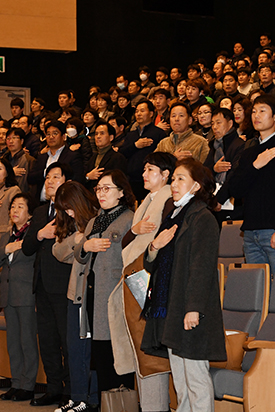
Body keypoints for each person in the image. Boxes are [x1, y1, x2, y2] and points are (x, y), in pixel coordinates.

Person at [141, 158, 226, 412]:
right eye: (174, 178)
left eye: (181, 179)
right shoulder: (172, 215)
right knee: (180, 380)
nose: (174, 184)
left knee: (196, 379)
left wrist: (193, 308)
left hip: (189, 308)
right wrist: (154, 246)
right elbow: (151, 263)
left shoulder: (203, 218)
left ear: (196, 186)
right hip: (170, 306)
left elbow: (202, 268)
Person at [110, 152, 175, 412]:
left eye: (150, 170)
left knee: (149, 351)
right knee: (139, 347)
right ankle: (148, 406)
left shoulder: (168, 199)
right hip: (135, 274)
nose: (144, 174)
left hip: (149, 278)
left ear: (166, 174)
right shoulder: (147, 200)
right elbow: (129, 242)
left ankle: (155, 407)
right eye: (145, 169)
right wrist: (133, 232)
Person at [73, 170, 136, 405]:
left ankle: (121, 405)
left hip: (115, 294)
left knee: (116, 354)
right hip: (92, 292)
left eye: (107, 188)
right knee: (100, 353)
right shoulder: (94, 220)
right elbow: (79, 255)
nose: (101, 193)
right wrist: (86, 245)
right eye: (98, 188)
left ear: (121, 192)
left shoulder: (130, 218)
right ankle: (104, 404)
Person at [229, 94, 275, 278]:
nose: (256, 116)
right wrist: (255, 165)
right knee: (256, 292)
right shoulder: (249, 152)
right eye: (253, 112)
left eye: (262, 111)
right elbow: (236, 189)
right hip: (250, 232)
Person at [22, 162, 74, 407]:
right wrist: (40, 234)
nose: (51, 181)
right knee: (48, 340)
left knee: (67, 340)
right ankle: (53, 388)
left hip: (65, 284)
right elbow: (27, 246)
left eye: (56, 177)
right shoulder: (41, 211)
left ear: (66, 181)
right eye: (48, 178)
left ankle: (72, 391)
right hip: (41, 283)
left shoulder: (75, 210)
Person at [51, 181, 100, 412]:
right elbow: (58, 252)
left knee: (88, 350)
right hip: (74, 292)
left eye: (70, 207)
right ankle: (77, 396)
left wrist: (83, 241)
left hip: (91, 293)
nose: (68, 213)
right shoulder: (74, 226)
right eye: (64, 210)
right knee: (74, 347)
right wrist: (79, 239)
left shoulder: (98, 218)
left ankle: (89, 399)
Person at [0, 193, 38, 402]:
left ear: (29, 213)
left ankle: (28, 385)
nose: (15, 211)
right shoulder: (7, 236)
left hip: (26, 295)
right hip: (8, 296)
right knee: (13, 343)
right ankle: (15, 383)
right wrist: (6, 248)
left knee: (27, 342)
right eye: (12, 207)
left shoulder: (34, 236)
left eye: (20, 206)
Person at [204, 108, 246, 223]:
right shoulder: (214, 145)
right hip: (213, 199)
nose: (214, 127)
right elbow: (204, 171)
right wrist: (214, 168)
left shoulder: (240, 145)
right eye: (212, 123)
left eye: (219, 122)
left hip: (232, 203)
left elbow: (235, 175)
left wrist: (219, 199)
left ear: (230, 123)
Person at [119, 100, 167, 201]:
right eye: (136, 111)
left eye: (142, 111)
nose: (138, 114)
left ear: (151, 114)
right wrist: (135, 145)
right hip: (130, 179)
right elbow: (121, 153)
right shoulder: (131, 134)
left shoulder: (159, 133)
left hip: (149, 179)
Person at [84, 122, 127, 190]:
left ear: (111, 137)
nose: (98, 136)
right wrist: (88, 177)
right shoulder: (93, 157)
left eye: (102, 133)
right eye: (96, 134)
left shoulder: (118, 158)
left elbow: (120, 182)